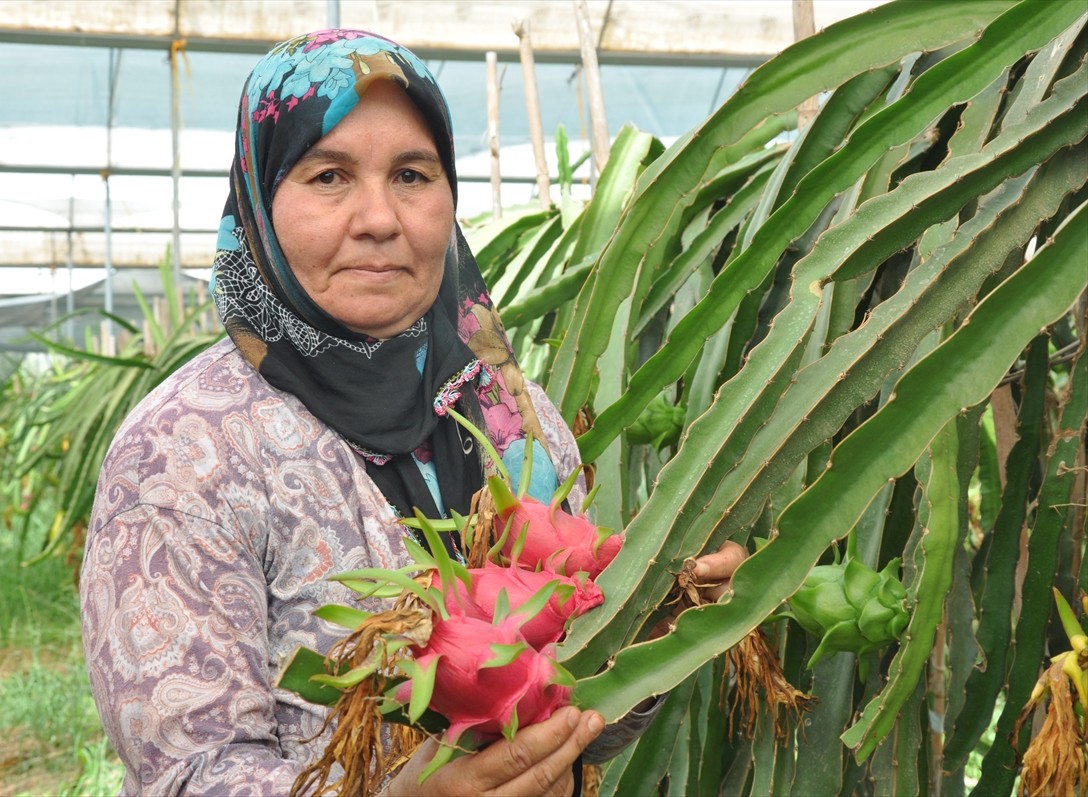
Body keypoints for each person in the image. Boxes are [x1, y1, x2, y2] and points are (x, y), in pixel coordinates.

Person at [80, 29, 745, 796]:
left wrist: (646, 633)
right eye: (328, 176)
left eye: (412, 174)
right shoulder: (184, 450)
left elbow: (577, 713)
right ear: (260, 199)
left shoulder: (515, 422)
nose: (379, 218)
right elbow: (185, 771)